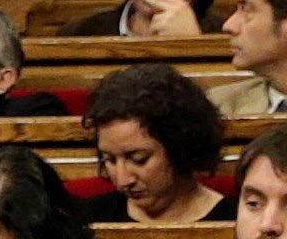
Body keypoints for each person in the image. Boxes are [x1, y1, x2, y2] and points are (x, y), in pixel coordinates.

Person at [83, 63, 230, 227]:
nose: (123, 181)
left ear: (182, 149)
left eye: (139, 159)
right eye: (109, 160)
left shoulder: (236, 220)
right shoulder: (85, 221)